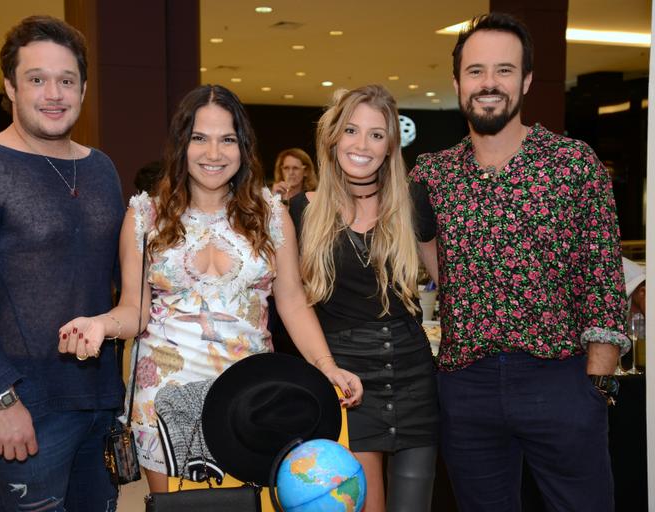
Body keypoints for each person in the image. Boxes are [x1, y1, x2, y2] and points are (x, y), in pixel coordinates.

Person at [58, 84, 364, 494]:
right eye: (200, 138)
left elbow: (291, 300)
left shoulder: (271, 213)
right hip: (165, 404)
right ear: (181, 144)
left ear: (244, 147)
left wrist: (327, 366)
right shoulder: (145, 216)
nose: (214, 153)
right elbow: (134, 310)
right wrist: (99, 324)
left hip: (251, 400)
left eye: (227, 140)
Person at [410, 12, 629, 511]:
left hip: (560, 378)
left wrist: (597, 387)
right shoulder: (433, 173)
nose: (489, 83)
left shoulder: (573, 163)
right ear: (457, 82)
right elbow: (432, 263)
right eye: (476, 71)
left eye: (504, 70)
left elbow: (604, 284)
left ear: (527, 79)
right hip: (466, 385)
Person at [0, 16, 125, 510]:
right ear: (10, 86)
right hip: (23, 410)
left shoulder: (101, 169)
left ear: (82, 88)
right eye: (37, 79)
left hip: (98, 403)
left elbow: (120, 284)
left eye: (66, 80)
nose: (53, 93)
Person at [291, 85, 439, 512]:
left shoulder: (412, 203)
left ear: (390, 144)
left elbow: (451, 283)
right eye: (352, 130)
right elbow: (291, 302)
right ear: (333, 136)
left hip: (414, 378)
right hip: (346, 384)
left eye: (376, 134)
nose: (362, 144)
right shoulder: (301, 210)